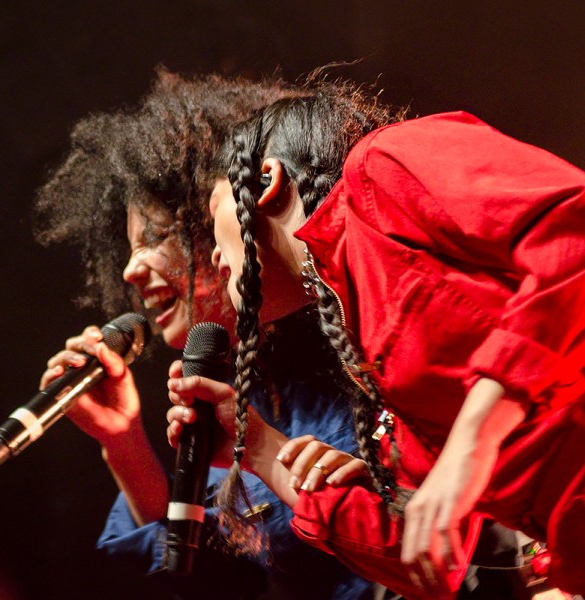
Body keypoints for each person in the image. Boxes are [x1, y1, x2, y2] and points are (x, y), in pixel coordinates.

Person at [166, 81, 585, 599]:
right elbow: (432, 564)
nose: (214, 257)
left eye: (213, 211)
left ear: (265, 181)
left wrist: (470, 444)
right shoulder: (363, 332)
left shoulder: (381, 167)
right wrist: (259, 448)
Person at [32, 69, 378, 599]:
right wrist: (122, 442)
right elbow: (209, 582)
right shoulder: (229, 406)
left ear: (225, 221)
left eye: (156, 238)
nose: (130, 270)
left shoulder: (359, 356)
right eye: (127, 249)